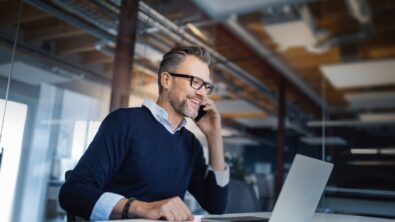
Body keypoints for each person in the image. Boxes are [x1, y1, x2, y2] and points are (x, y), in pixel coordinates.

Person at [59, 46, 229, 221]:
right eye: (195, 81)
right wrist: (142, 208)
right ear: (166, 80)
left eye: (206, 86)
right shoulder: (124, 123)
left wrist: (214, 136)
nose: (202, 93)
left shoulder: (190, 144)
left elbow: (216, 206)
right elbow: (72, 193)